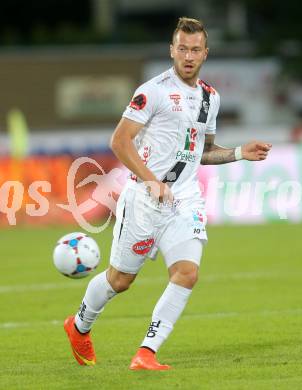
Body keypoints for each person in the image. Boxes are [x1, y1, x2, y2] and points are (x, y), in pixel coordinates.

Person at [64, 16, 272, 370]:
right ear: (172, 50)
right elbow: (119, 140)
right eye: (182, 49)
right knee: (120, 280)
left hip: (184, 199)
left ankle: (146, 352)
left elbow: (202, 152)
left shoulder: (210, 98)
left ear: (205, 53)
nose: (188, 56)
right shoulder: (153, 91)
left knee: (187, 272)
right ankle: (79, 325)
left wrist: (239, 152)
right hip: (143, 200)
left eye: (195, 49)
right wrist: (150, 180)